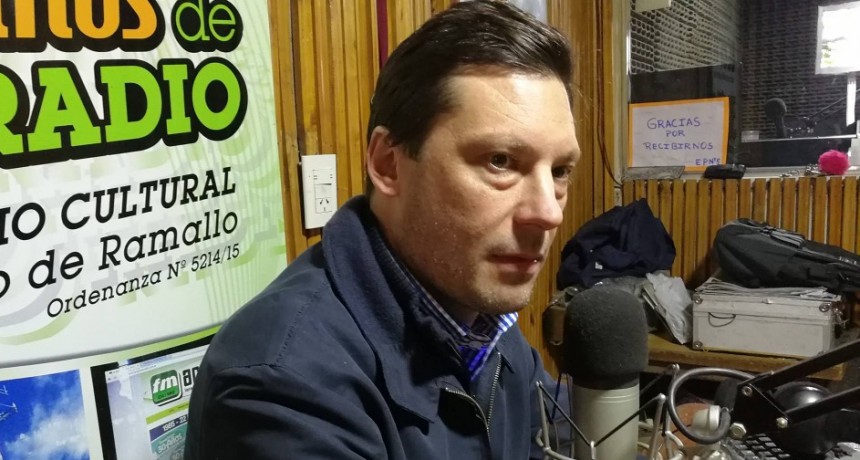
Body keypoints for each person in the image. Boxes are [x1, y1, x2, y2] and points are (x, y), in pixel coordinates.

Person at [185, 1, 580, 458]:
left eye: (560, 171)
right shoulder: (280, 386)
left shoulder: (482, 318)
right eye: (500, 161)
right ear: (388, 164)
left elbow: (551, 434)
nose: (548, 212)